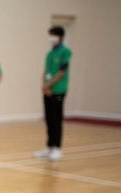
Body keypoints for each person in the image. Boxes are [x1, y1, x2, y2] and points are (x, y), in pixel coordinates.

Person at [34, 25, 72, 161]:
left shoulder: (65, 52)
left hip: (58, 90)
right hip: (47, 90)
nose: (50, 38)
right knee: (49, 119)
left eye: (53, 35)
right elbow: (45, 71)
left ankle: (57, 148)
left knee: (56, 119)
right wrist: (44, 85)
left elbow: (62, 72)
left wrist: (49, 85)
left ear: (60, 37)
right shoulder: (49, 53)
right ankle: (49, 147)